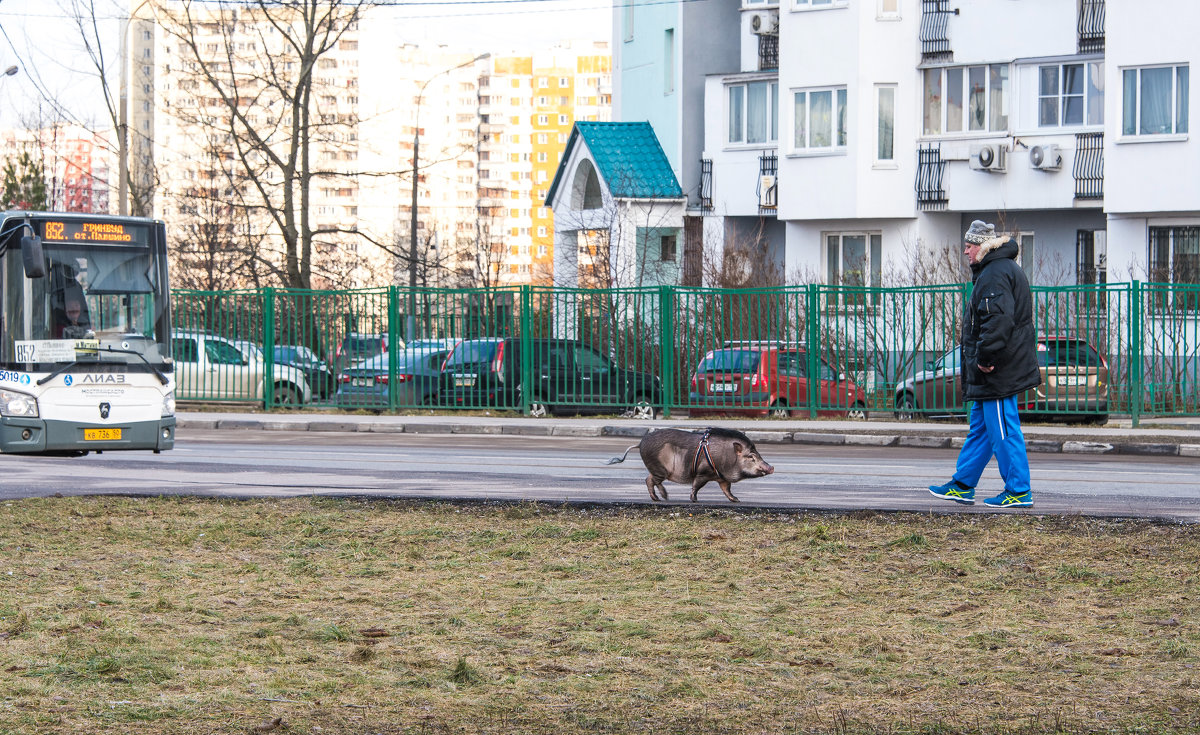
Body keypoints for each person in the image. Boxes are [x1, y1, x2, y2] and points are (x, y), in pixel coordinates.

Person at [929, 220, 1042, 508]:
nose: (965, 252)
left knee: (1003, 428)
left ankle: (1018, 490)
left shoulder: (994, 273)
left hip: (998, 370)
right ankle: (963, 484)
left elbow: (998, 321)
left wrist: (986, 358)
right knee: (981, 428)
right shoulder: (996, 270)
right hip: (995, 369)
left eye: (968, 246)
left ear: (981, 246)